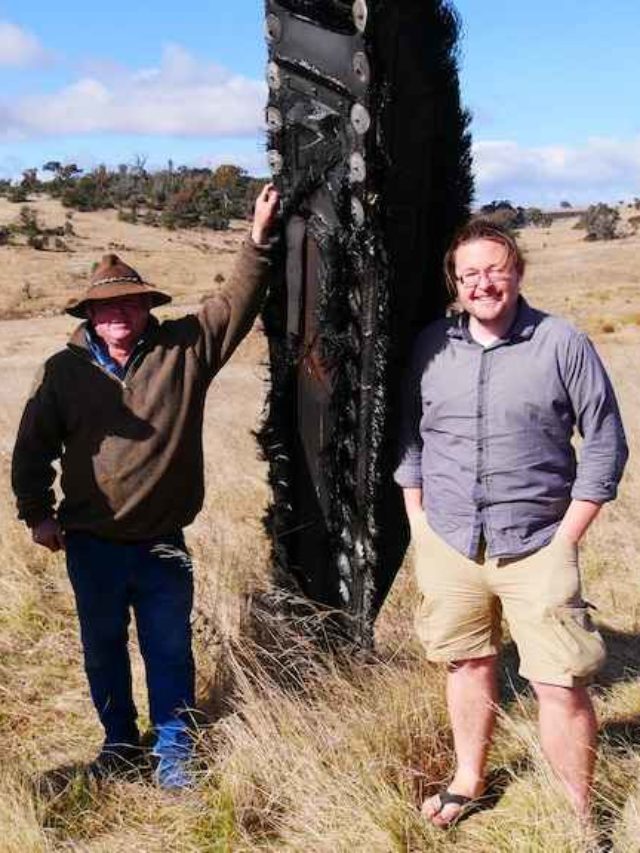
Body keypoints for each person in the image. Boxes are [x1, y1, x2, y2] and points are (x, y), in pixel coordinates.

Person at [11, 184, 280, 789]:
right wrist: (37, 514)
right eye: (104, 309)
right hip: (90, 543)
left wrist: (258, 238)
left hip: (162, 542)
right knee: (102, 649)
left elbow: (235, 301)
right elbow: (32, 449)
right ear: (88, 315)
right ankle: (118, 743)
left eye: (128, 304)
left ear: (145, 306)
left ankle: (175, 749)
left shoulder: (183, 350)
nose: (117, 316)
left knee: (168, 648)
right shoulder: (63, 371)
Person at [394, 218, 628, 827]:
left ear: (517, 271)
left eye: (495, 269)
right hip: (448, 542)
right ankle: (468, 779)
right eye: (469, 273)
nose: (483, 283)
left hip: (538, 545)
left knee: (559, 682)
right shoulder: (432, 345)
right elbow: (411, 439)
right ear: (456, 281)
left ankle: (576, 816)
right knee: (467, 663)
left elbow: (604, 443)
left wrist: (568, 538)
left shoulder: (561, 343)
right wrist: (418, 521)